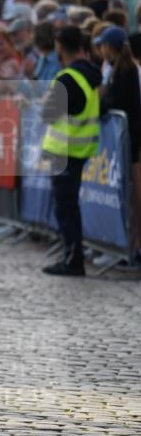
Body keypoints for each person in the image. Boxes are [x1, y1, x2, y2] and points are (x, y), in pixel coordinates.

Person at [41, 26, 101, 276]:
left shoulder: (67, 78)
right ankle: (72, 255)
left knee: (66, 207)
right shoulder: (91, 74)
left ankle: (73, 260)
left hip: (65, 149)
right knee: (69, 206)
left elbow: (50, 115)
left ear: (59, 45)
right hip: (81, 148)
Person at [98, 26, 141, 259]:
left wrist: (98, 107)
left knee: (131, 196)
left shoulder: (126, 70)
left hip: (130, 142)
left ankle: (130, 247)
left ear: (109, 47)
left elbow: (118, 102)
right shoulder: (117, 69)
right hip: (125, 140)